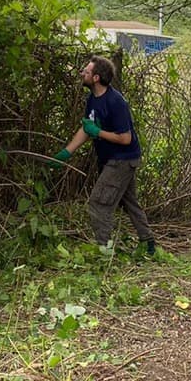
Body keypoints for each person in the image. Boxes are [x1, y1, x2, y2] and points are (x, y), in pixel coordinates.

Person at [52, 55, 156, 255]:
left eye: (87, 71)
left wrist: (98, 132)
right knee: (129, 202)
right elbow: (87, 128)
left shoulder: (115, 102)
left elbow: (125, 138)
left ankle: (104, 250)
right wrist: (66, 152)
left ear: (97, 78)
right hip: (112, 159)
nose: (82, 73)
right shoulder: (92, 99)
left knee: (98, 203)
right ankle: (148, 244)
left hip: (122, 160)